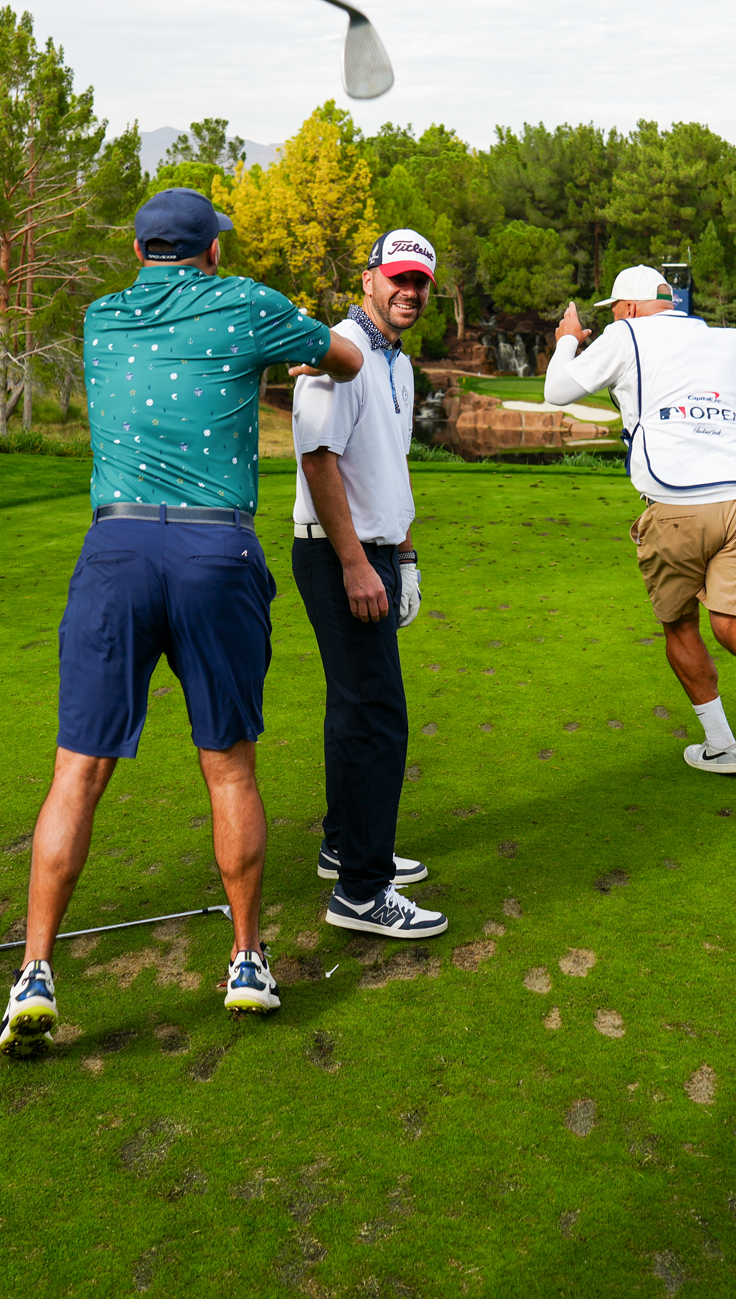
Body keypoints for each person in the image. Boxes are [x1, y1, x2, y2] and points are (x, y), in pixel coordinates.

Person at [0, 187, 365, 1055]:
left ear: (137, 251)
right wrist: (294, 357)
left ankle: (35, 975)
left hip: (115, 553)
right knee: (228, 770)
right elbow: (346, 356)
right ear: (209, 252)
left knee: (76, 774)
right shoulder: (244, 303)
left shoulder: (99, 318)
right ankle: (245, 960)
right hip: (213, 555)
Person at [542, 264, 736, 774]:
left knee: (680, 627)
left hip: (676, 505)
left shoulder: (624, 332)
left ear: (626, 308)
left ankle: (723, 747)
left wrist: (566, 340)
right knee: (733, 622)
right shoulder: (726, 340)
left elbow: (558, 390)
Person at [289, 227, 447, 941]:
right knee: (378, 717)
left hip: (377, 551)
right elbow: (318, 459)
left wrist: (404, 558)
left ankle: (343, 845)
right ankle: (362, 888)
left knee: (354, 709)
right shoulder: (338, 353)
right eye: (398, 280)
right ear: (369, 280)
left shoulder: (398, 364)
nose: (408, 293)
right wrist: (357, 563)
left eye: (420, 284)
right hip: (338, 554)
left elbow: (394, 465)